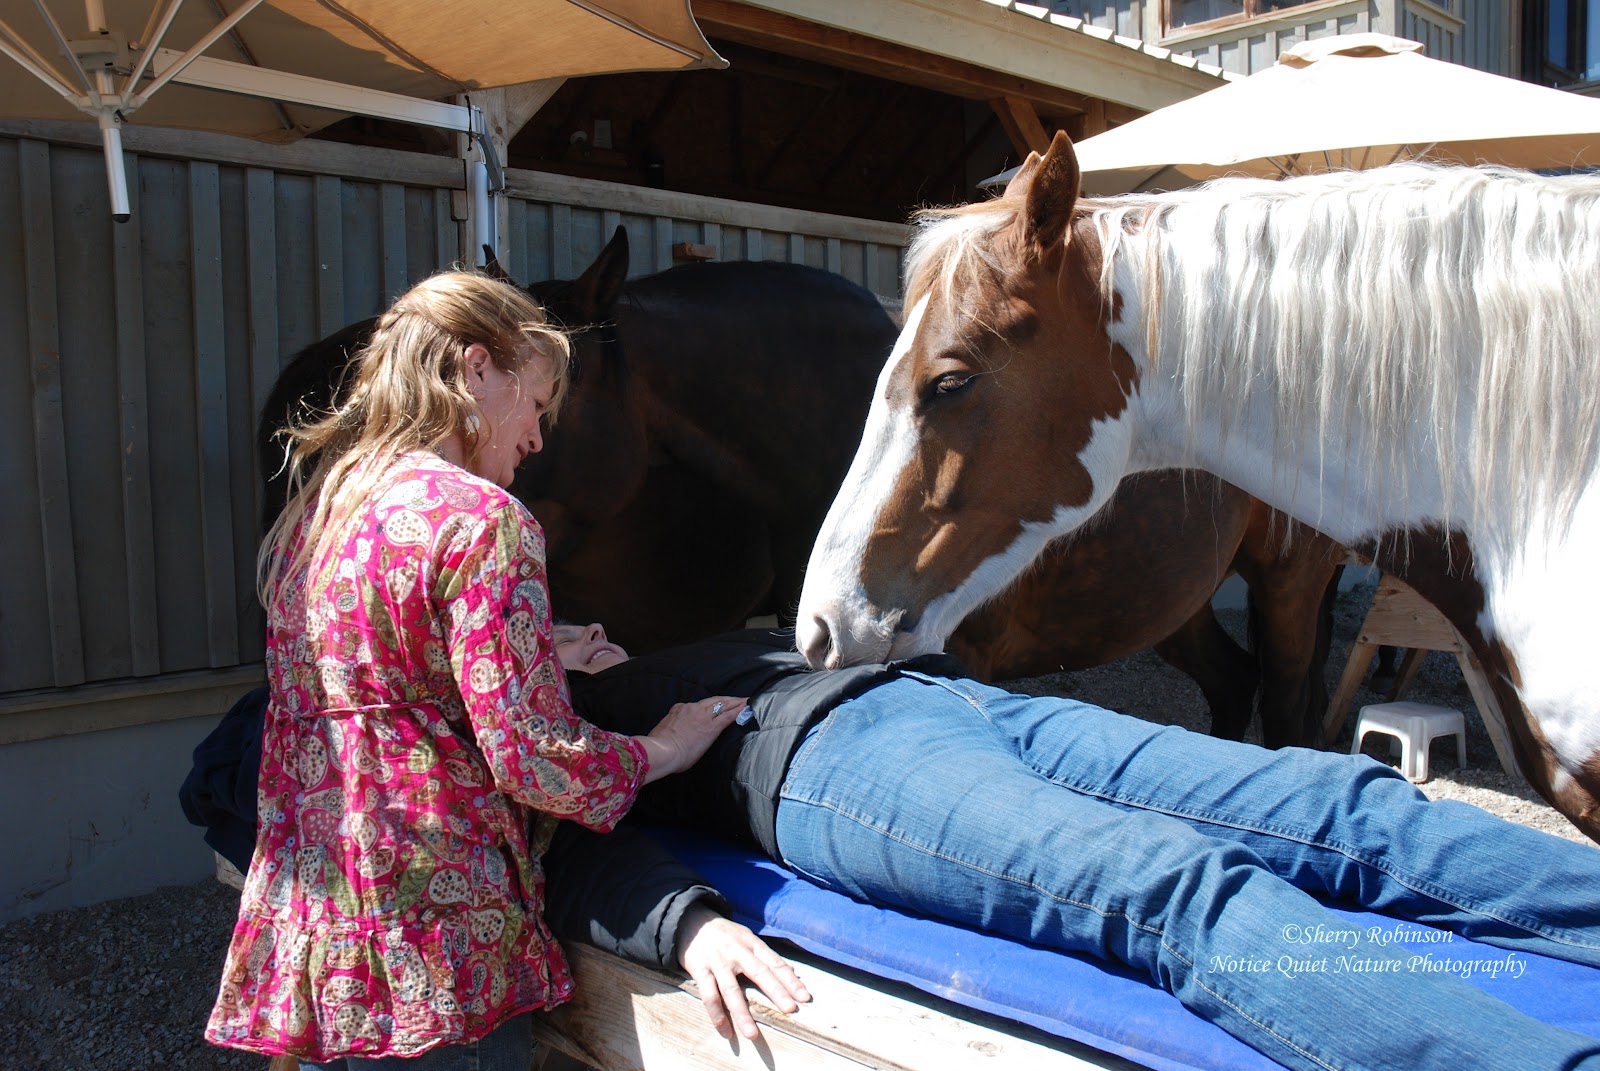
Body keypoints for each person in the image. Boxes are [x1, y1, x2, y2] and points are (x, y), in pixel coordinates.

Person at [206, 271, 805, 1069]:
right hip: (439, 942)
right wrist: (662, 747)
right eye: (537, 403)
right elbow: (532, 756)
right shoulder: (485, 521)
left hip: (322, 929)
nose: (536, 437)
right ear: (477, 367)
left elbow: (370, 682)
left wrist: (533, 647)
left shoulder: (319, 513)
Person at [548, 621, 1600, 1071]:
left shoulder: (680, 648)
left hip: (959, 699)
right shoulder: (568, 737)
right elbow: (556, 855)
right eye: (562, 636)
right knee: (1167, 886)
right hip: (832, 770)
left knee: (1337, 799)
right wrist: (683, 925)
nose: (590, 632)